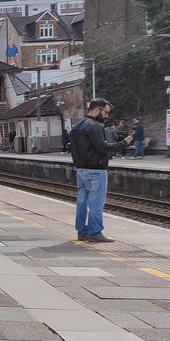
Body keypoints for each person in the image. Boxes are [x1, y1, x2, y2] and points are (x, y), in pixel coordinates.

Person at [70, 98, 129, 243]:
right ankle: (95, 232)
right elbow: (102, 147)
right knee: (96, 203)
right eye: (106, 112)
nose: (107, 116)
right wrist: (123, 143)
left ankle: (82, 232)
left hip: (81, 170)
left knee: (82, 203)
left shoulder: (76, 126)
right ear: (97, 110)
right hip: (96, 170)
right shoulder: (95, 126)